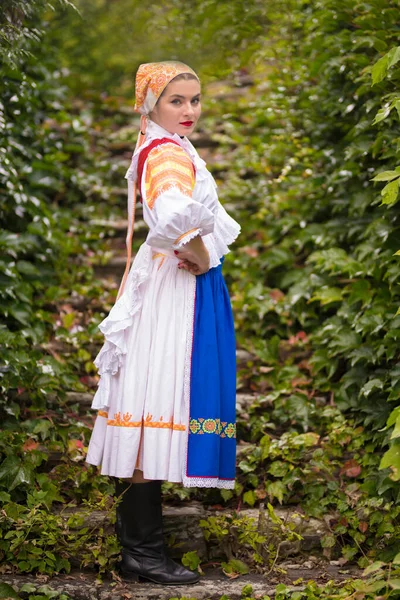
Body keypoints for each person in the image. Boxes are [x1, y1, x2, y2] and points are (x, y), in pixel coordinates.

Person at [86, 61, 240, 585]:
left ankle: (142, 549)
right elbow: (172, 212)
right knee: (153, 399)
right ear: (152, 103)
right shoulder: (169, 153)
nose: (190, 111)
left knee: (151, 402)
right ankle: (142, 553)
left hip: (166, 288)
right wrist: (198, 252)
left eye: (195, 100)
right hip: (172, 291)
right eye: (177, 100)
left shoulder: (163, 145)